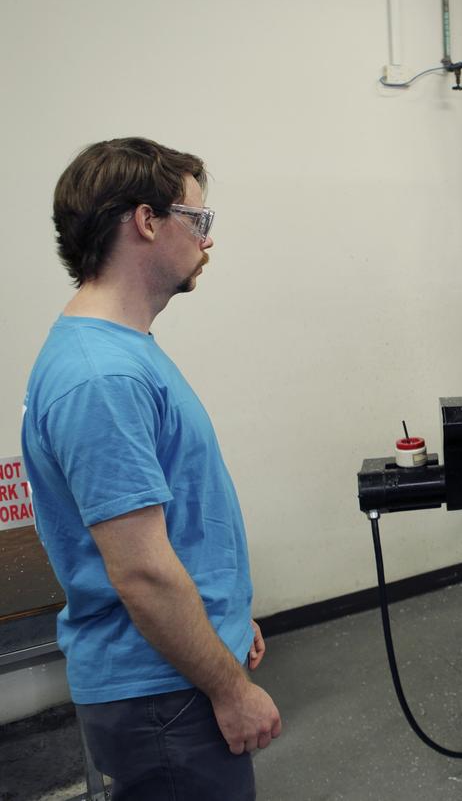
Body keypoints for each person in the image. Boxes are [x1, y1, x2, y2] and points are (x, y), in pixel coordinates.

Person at [21, 138, 280, 799]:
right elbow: (140, 570)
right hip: (164, 697)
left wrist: (224, 620)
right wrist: (228, 685)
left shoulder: (121, 349)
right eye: (197, 221)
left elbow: (177, 519)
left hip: (173, 674)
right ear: (145, 221)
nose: (207, 241)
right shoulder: (100, 376)